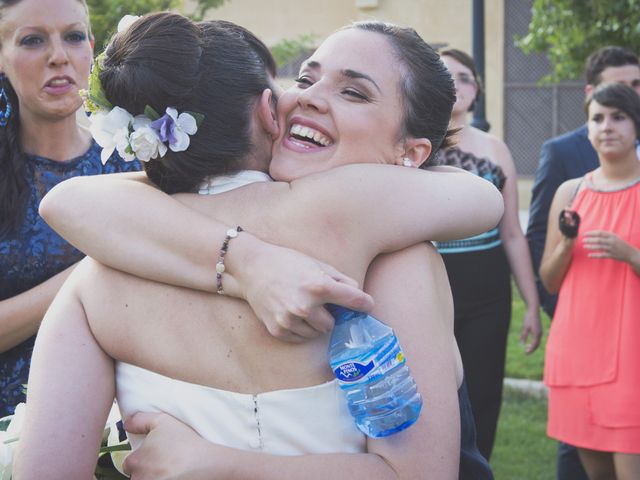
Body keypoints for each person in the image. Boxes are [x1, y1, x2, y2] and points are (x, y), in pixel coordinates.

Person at [14, 14, 503, 480]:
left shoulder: (98, 273)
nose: (310, 99)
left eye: (353, 91)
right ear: (270, 110)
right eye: (306, 79)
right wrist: (248, 261)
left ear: (412, 152)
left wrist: (214, 464)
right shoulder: (392, 256)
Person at [0, 0, 143, 417]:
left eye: (73, 36)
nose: (58, 56)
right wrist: (97, 267)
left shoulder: (137, 165)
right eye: (32, 40)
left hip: (126, 418)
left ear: (92, 50)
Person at [526, 45, 640, 479]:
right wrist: (566, 244)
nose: (606, 127)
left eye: (618, 117)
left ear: (635, 125)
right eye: (597, 118)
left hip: (631, 355)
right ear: (587, 129)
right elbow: (550, 281)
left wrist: (629, 255)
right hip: (577, 352)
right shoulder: (571, 193)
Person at [433, 48, 542, 461]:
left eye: (465, 77)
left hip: (487, 294)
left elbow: (513, 232)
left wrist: (531, 304)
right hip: (426, 285)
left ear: (476, 91)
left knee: (482, 395)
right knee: (427, 389)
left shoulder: (497, 149)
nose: (456, 84)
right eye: (445, 74)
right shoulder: (408, 140)